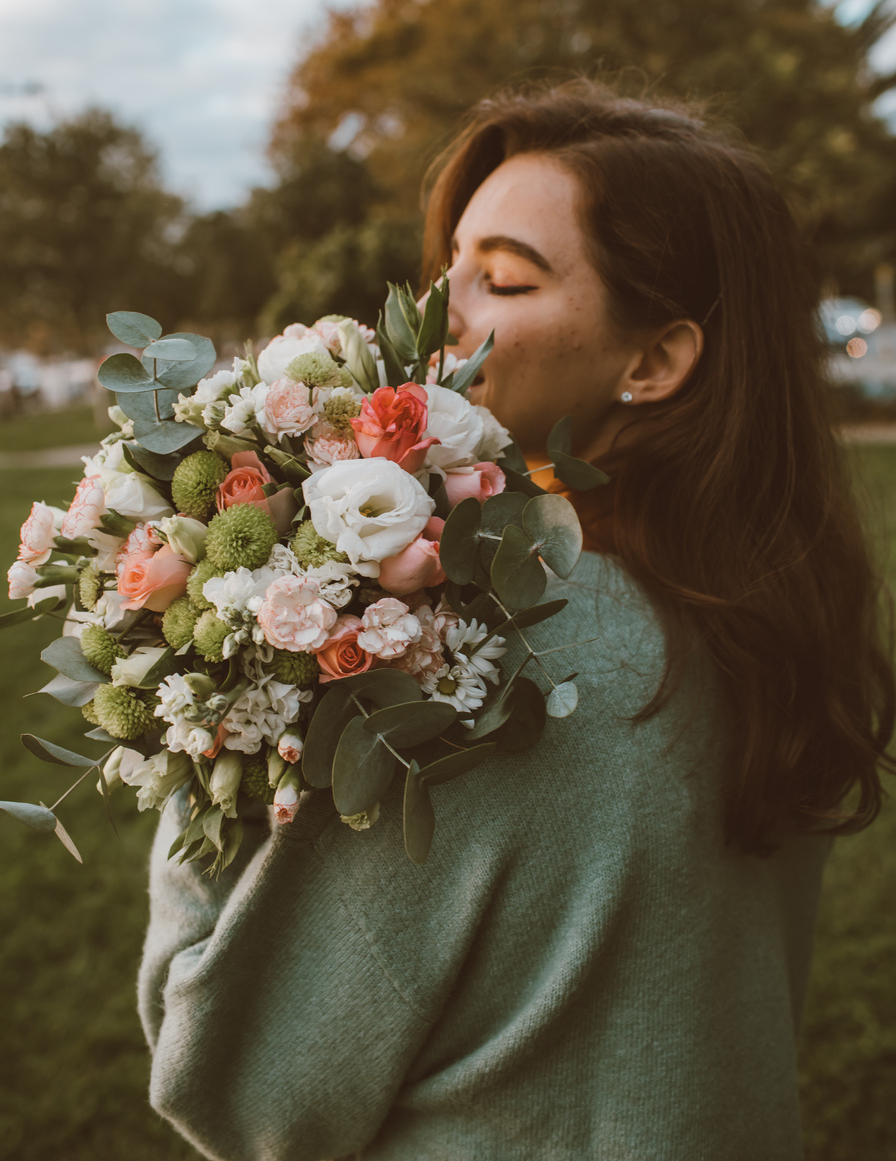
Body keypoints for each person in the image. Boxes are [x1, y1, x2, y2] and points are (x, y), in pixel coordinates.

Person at [139, 81, 895, 1161]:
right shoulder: (767, 615)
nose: (439, 308)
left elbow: (246, 1087)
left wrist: (209, 724)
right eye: (448, 265)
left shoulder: (481, 656)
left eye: (499, 278)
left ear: (655, 360)